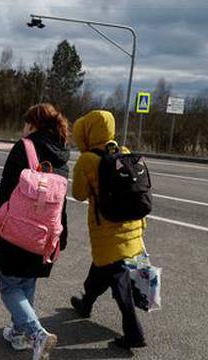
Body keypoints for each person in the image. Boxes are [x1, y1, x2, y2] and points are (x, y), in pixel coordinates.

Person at [0, 103, 70, 360]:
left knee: (8, 286)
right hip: (46, 234)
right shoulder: (63, 152)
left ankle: (36, 333)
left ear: (33, 124)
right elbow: (61, 200)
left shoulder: (24, 147)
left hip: (18, 229)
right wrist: (62, 234)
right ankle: (18, 335)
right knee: (27, 281)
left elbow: (5, 190)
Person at [69, 110, 147, 349]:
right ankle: (86, 303)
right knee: (101, 270)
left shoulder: (87, 159)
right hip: (132, 225)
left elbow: (79, 195)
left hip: (106, 229)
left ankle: (134, 334)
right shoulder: (123, 152)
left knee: (118, 281)